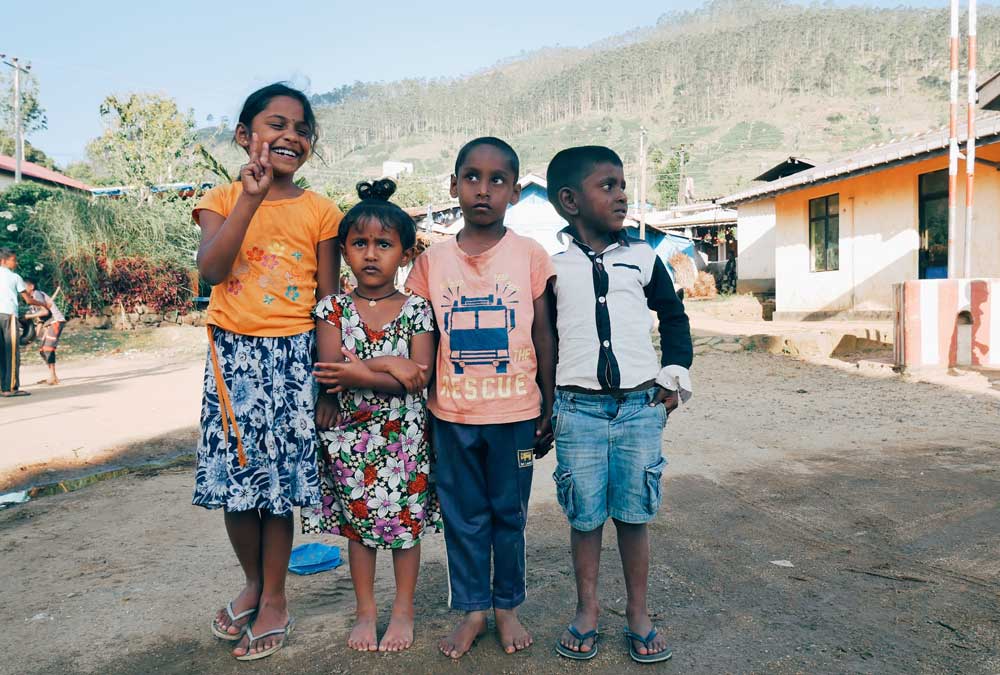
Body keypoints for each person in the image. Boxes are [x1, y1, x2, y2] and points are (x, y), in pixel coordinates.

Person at [191, 83, 342, 661]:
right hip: (233, 358)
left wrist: (329, 381)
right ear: (243, 136)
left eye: (302, 129)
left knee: (279, 489)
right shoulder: (221, 197)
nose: (291, 136)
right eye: (276, 124)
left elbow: (329, 303)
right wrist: (248, 201)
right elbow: (211, 270)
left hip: (295, 357)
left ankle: (275, 596)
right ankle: (251, 582)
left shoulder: (320, 210)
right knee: (237, 483)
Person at [405, 137, 556, 660]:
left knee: (508, 514)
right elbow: (421, 341)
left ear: (515, 192)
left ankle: (507, 605)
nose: (483, 189)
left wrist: (548, 401)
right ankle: (473, 608)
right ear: (453, 187)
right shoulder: (431, 264)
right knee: (462, 515)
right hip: (452, 415)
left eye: (497, 180)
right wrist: (422, 413)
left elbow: (544, 335)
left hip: (516, 414)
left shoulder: (531, 256)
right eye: (472, 177)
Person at [545, 146, 693, 664]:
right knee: (584, 517)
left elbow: (674, 319)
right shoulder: (552, 267)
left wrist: (673, 377)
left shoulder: (644, 258)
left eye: (622, 184)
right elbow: (544, 340)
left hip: (638, 409)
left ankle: (637, 612)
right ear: (569, 201)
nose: (621, 194)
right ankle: (587, 609)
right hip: (576, 411)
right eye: (606, 185)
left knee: (634, 515)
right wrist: (546, 407)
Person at [302, 178, 441, 654]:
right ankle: (366, 611)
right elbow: (332, 371)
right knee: (359, 530)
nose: (371, 253)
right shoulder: (331, 309)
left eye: (384, 244)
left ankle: (403, 609)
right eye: (359, 243)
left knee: (404, 529)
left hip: (405, 440)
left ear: (405, 254)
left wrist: (367, 370)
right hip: (352, 439)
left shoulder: (418, 310)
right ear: (344, 252)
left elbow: (420, 377)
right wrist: (388, 367)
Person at [0, 249, 45, 397]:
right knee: (11, 352)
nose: (16, 262)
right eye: (13, 260)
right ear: (3, 261)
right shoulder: (15, 277)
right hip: (8, 315)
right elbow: (28, 299)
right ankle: (10, 388)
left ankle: (3, 387)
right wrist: (43, 304)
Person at [22, 279, 66, 385]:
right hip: (48, 324)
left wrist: (27, 316)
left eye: (24, 286)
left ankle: (53, 377)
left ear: (31, 286)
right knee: (42, 351)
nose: (22, 289)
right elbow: (40, 321)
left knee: (48, 349)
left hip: (56, 321)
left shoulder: (37, 294)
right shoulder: (32, 301)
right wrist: (33, 338)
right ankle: (53, 376)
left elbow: (44, 311)